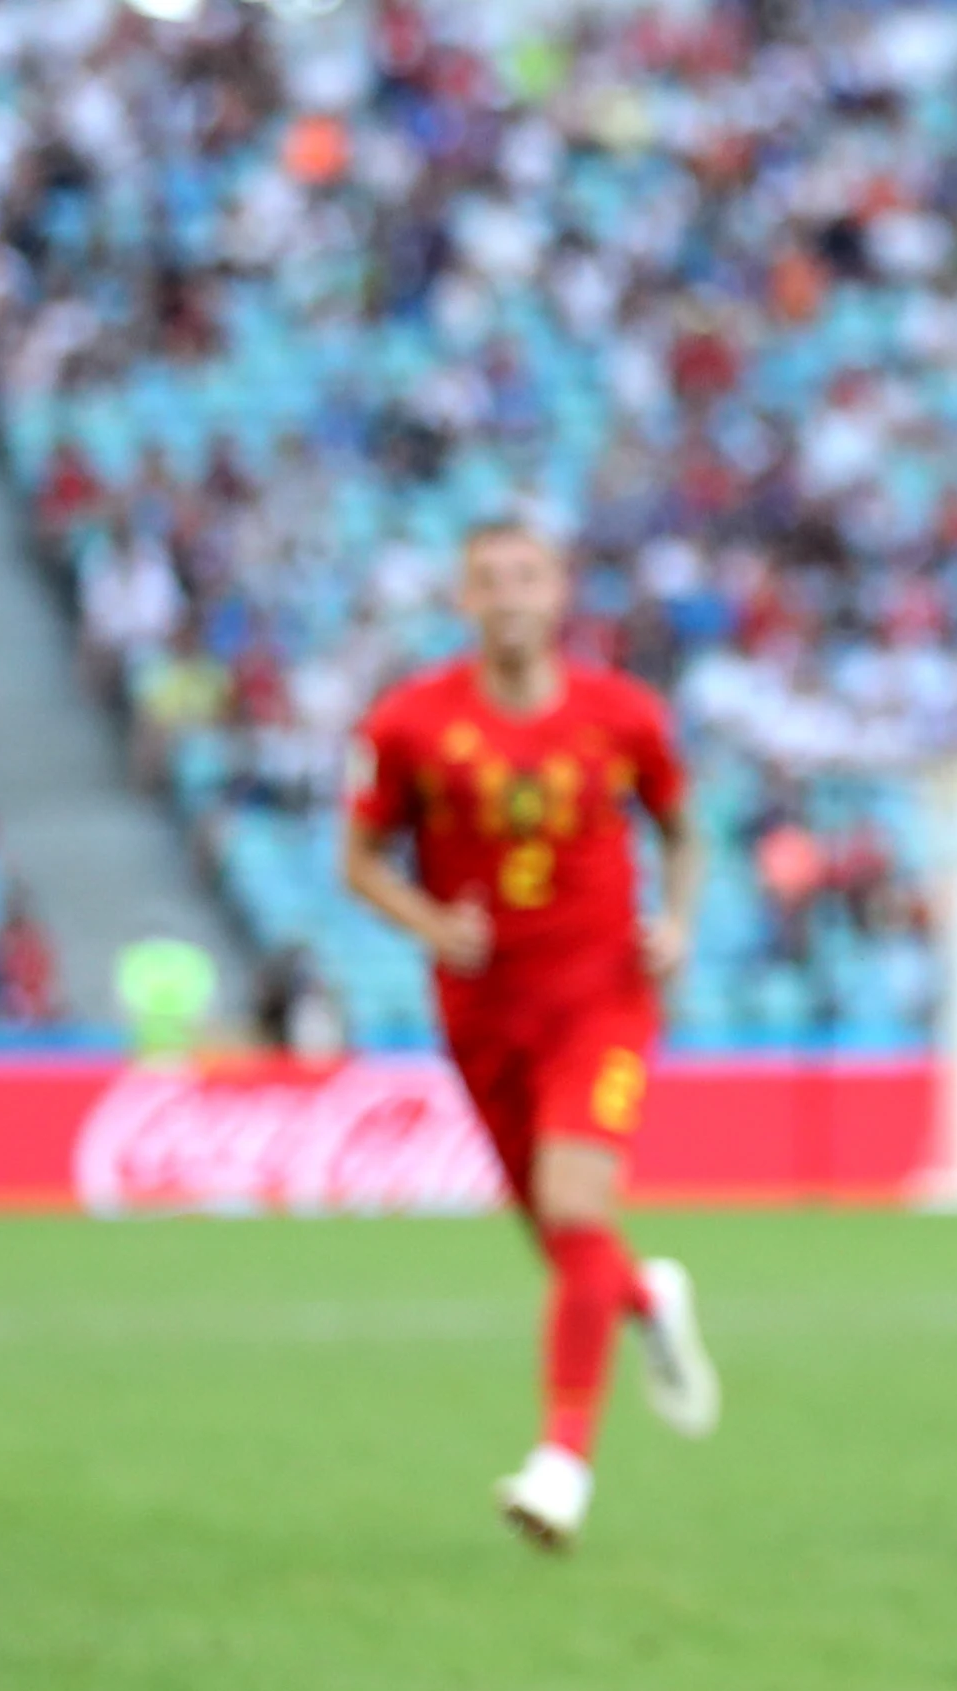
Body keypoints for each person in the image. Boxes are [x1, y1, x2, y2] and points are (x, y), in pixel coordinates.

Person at [341, 520, 722, 1552]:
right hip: (481, 1009)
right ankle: (647, 1296)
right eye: (486, 581)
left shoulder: (623, 714)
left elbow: (684, 828)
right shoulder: (412, 722)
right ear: (463, 601)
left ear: (558, 593)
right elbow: (360, 858)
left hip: (600, 995)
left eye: (525, 576)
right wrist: (430, 925)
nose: (507, 595)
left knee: (570, 1200)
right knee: (563, 1238)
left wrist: (676, 925)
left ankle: (562, 1462)